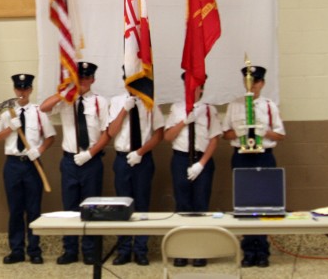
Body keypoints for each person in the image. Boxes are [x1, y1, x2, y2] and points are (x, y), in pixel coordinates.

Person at [40, 62, 108, 266]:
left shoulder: (99, 102)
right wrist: (64, 92)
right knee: (69, 207)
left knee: (91, 208)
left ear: (93, 79)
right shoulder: (66, 101)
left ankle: (90, 250)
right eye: (80, 78)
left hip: (91, 160)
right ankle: (70, 249)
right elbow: (44, 107)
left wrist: (90, 153)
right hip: (70, 161)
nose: (83, 82)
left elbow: (107, 133)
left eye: (87, 78)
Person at [222, 65, 286, 268]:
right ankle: (248, 251)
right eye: (248, 80)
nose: (252, 84)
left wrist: (263, 131)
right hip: (242, 157)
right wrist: (241, 131)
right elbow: (226, 134)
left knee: (264, 204)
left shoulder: (269, 106)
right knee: (244, 205)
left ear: (262, 83)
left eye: (256, 81)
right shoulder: (235, 105)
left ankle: (262, 251)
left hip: (264, 156)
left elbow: (280, 135)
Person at [0, 74, 55, 265]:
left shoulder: (39, 112)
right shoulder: (6, 113)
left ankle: (34, 250)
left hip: (31, 164)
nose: (22, 91)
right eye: (19, 88)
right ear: (14, 90)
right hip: (12, 165)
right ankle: (17, 250)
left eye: (26, 88)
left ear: (31, 89)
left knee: (34, 210)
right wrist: (10, 128)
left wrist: (40, 150)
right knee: (16, 210)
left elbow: (51, 136)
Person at [99, 85, 164, 267]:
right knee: (122, 206)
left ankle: (141, 250)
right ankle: (124, 249)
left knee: (142, 205)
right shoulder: (116, 101)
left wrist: (141, 152)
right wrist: (124, 110)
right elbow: (111, 132)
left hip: (142, 158)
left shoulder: (150, 101)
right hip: (122, 159)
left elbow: (159, 134)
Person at [164, 73, 221, 268]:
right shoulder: (176, 108)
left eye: (195, 86)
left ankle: (200, 251)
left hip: (201, 161)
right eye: (187, 85)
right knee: (182, 205)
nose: (191, 89)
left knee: (201, 206)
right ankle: (182, 250)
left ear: (202, 88)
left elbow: (214, 139)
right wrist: (183, 122)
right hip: (181, 159)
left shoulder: (208, 110)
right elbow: (168, 137)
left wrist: (201, 164)